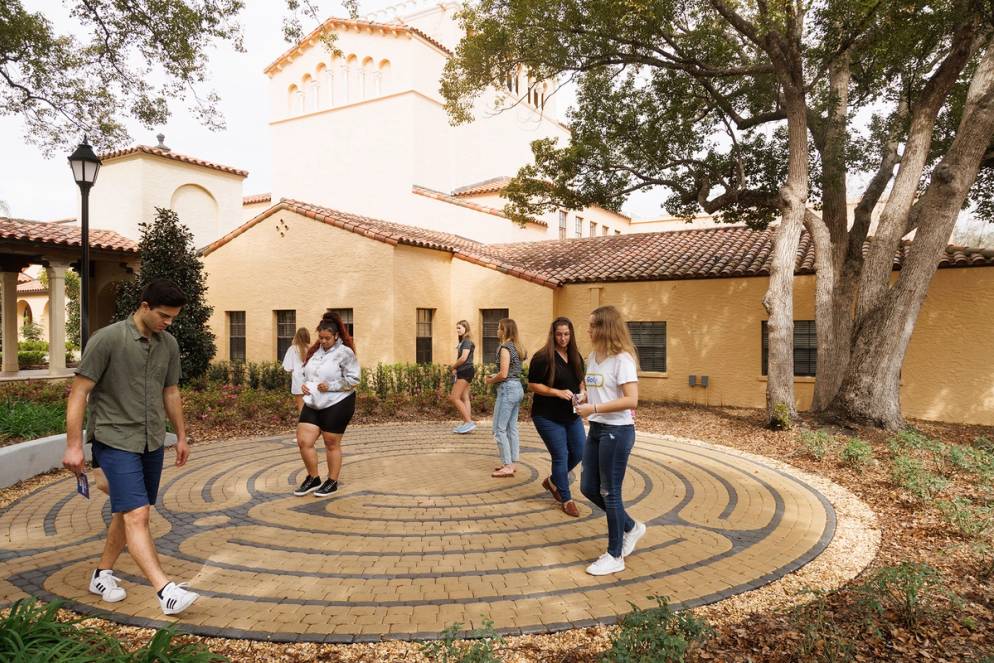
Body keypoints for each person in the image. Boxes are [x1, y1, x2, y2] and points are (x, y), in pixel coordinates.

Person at [62, 279, 200, 615]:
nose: (168, 323)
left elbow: (171, 392)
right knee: (138, 514)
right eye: (163, 316)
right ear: (144, 306)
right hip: (114, 439)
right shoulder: (108, 339)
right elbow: (79, 392)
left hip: (151, 441)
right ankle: (165, 591)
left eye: (173, 318)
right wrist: (74, 445)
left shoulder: (168, 344)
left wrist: (180, 436)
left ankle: (101, 575)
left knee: (126, 510)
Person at [575, 305, 646, 576]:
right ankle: (631, 526)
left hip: (617, 431)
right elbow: (594, 389)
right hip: (596, 428)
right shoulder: (593, 356)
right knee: (587, 487)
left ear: (605, 328)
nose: (588, 330)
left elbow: (631, 400)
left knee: (610, 491)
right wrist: (584, 398)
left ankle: (615, 555)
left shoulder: (623, 359)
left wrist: (592, 409)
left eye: (592, 325)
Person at [293, 311, 360, 498]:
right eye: (320, 338)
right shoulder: (315, 351)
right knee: (303, 441)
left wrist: (331, 386)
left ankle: (332, 481)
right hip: (314, 401)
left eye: (327, 338)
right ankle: (313, 478)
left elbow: (354, 379)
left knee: (331, 443)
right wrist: (305, 386)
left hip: (338, 401)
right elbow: (308, 374)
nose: (322, 341)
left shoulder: (345, 353)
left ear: (336, 335)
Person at [527, 317, 586, 516]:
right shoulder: (543, 357)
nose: (563, 338)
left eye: (566, 334)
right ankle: (566, 498)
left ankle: (552, 481)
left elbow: (580, 382)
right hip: (547, 416)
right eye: (559, 334)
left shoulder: (576, 356)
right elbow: (532, 384)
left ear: (571, 335)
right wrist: (556, 392)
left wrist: (583, 393)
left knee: (579, 451)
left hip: (571, 415)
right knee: (560, 455)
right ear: (553, 334)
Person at [485, 318, 526, 477]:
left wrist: (490, 380)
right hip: (517, 388)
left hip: (507, 390)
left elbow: (503, 374)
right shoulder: (517, 347)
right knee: (511, 428)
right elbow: (510, 372)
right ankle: (512, 462)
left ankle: (507, 465)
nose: (497, 331)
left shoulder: (504, 348)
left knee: (498, 429)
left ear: (504, 331)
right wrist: (497, 376)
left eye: (498, 328)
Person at [448, 320, 477, 434]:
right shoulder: (464, 341)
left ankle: (469, 422)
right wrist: (456, 369)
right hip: (466, 370)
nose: (457, 330)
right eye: (457, 328)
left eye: (459, 328)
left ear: (466, 328)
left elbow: (463, 358)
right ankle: (467, 424)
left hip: (465, 371)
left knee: (454, 398)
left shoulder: (466, 341)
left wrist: (453, 367)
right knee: (465, 398)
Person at [282, 327, 311, 413]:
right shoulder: (312, 348)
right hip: (310, 380)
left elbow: (287, 368)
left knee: (301, 408)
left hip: (298, 381)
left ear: (297, 336)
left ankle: (302, 424)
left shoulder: (292, 349)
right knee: (311, 407)